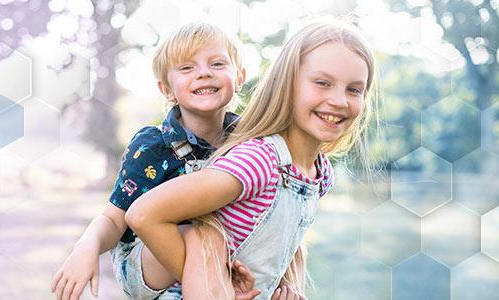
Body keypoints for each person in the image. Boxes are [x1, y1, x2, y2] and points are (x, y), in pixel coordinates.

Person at [126, 16, 380, 300]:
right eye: (322, 83)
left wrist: (292, 285)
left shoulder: (319, 173)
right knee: (205, 238)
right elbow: (144, 214)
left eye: (354, 89)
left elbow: (292, 238)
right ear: (287, 84)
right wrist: (219, 285)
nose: (339, 100)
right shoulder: (259, 160)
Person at [51, 22, 264, 300]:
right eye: (187, 68)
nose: (204, 73)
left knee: (216, 236)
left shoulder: (248, 143)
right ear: (167, 89)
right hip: (146, 263)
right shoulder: (153, 146)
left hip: (214, 260)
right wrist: (87, 246)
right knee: (202, 235)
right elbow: (115, 219)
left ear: (239, 78)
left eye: (217, 63)